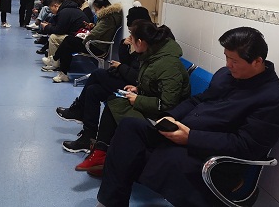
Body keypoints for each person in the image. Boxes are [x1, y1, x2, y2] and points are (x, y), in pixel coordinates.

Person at [96, 27, 279, 207]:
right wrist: (171, 117)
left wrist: (191, 138)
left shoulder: (272, 100)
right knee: (130, 128)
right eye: (226, 57)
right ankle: (110, 203)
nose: (228, 65)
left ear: (257, 61)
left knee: (163, 159)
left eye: (234, 61)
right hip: (184, 134)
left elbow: (244, 146)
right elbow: (198, 100)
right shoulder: (226, 75)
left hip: (214, 157)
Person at [67, 20, 191, 173]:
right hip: (154, 107)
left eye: (132, 39)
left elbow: (168, 104)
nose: (130, 41)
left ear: (140, 42)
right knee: (110, 99)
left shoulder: (168, 64)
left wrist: (138, 99)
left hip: (165, 118)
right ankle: (100, 151)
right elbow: (154, 83)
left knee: (114, 103)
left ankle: (101, 152)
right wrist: (138, 88)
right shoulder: (154, 55)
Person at [55, 4, 153, 152]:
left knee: (98, 74)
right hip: (130, 81)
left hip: (137, 89)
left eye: (132, 33)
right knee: (93, 91)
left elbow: (139, 77)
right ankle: (88, 137)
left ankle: (79, 110)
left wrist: (120, 67)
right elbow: (131, 65)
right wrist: (123, 47)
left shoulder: (150, 47)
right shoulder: (143, 41)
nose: (131, 37)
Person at [43, 0, 122, 83]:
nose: (95, 12)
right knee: (68, 43)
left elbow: (95, 34)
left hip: (97, 47)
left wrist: (83, 38)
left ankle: (56, 62)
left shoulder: (107, 19)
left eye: (96, 10)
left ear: (103, 8)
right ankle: (59, 67)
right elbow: (100, 30)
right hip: (95, 43)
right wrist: (92, 26)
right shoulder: (108, 17)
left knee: (69, 41)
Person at [39, 0, 87, 67]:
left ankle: (53, 62)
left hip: (78, 38)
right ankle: (54, 59)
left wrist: (46, 27)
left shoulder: (64, 12)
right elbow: (62, 27)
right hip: (79, 35)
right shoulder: (69, 10)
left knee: (54, 37)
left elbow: (59, 30)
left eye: (51, 8)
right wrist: (50, 26)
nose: (51, 11)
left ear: (55, 6)